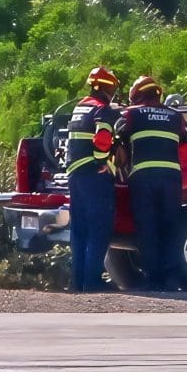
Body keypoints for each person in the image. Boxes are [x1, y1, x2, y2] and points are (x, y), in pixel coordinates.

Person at [116, 76, 187, 290]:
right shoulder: (176, 116)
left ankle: (152, 279)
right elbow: (186, 139)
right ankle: (171, 278)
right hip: (171, 178)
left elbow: (117, 134)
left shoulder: (131, 114)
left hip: (144, 178)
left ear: (137, 96)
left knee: (147, 228)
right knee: (170, 226)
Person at [65, 66, 122, 292]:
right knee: (99, 228)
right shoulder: (103, 110)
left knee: (79, 230)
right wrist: (101, 162)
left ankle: (77, 282)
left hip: (75, 174)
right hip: (93, 175)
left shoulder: (80, 107)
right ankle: (93, 281)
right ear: (109, 88)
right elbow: (102, 138)